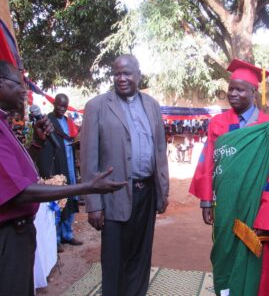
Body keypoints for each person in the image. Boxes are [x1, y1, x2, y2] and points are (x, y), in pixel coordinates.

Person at [0, 60, 127, 296]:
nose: (24, 91)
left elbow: (19, 171)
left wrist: (37, 143)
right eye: (18, 84)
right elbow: (21, 191)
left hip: (20, 233)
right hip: (7, 236)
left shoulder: (5, 124)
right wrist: (87, 186)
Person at [189, 58, 269, 296]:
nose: (233, 94)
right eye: (231, 89)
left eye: (240, 89)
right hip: (225, 207)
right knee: (224, 257)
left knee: (256, 265)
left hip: (255, 211)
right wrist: (206, 199)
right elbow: (208, 162)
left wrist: (267, 220)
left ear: (254, 92)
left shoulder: (268, 129)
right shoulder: (218, 124)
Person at [80, 54, 169, 296]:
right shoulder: (97, 106)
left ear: (138, 74)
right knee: (114, 259)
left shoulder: (151, 105)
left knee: (141, 256)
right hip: (113, 196)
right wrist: (93, 205)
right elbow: (89, 158)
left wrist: (162, 190)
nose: (122, 78)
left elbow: (160, 150)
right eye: (117, 73)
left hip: (146, 193)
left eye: (127, 73)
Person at [35, 93, 82, 252]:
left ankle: (67, 235)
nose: (62, 109)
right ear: (54, 104)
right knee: (58, 202)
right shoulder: (48, 121)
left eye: (64, 106)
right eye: (59, 105)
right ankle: (55, 239)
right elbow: (45, 148)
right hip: (57, 167)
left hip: (69, 164)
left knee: (71, 199)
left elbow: (72, 138)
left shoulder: (68, 121)